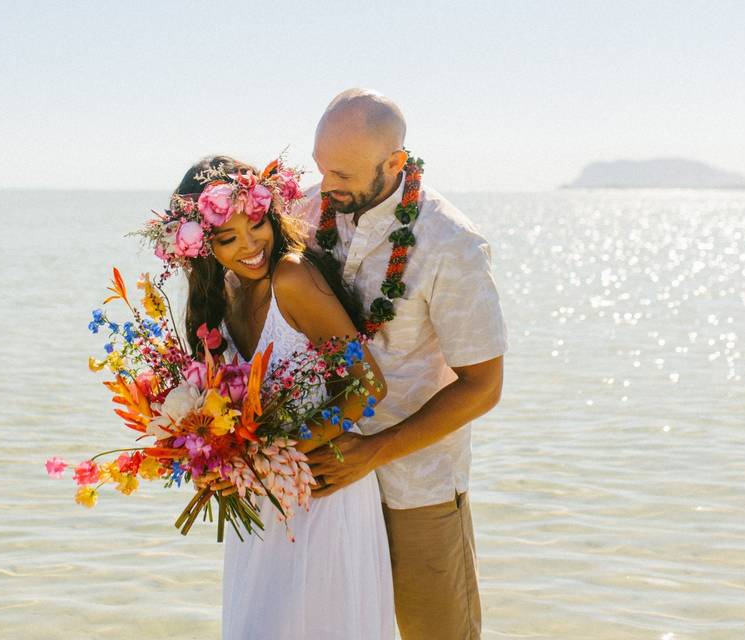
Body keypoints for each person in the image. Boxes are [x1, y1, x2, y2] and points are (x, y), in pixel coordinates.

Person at [300, 89, 508, 640]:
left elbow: (484, 387)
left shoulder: (451, 243)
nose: (326, 185)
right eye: (321, 167)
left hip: (416, 485)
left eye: (341, 173)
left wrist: (375, 450)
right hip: (319, 479)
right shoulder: (303, 211)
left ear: (395, 163)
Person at [170, 156, 395, 639]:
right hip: (262, 505)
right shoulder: (216, 298)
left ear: (268, 212)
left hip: (321, 489)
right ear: (202, 247)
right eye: (227, 239)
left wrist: (271, 458)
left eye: (255, 225)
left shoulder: (292, 278)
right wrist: (212, 461)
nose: (250, 247)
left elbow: (366, 385)